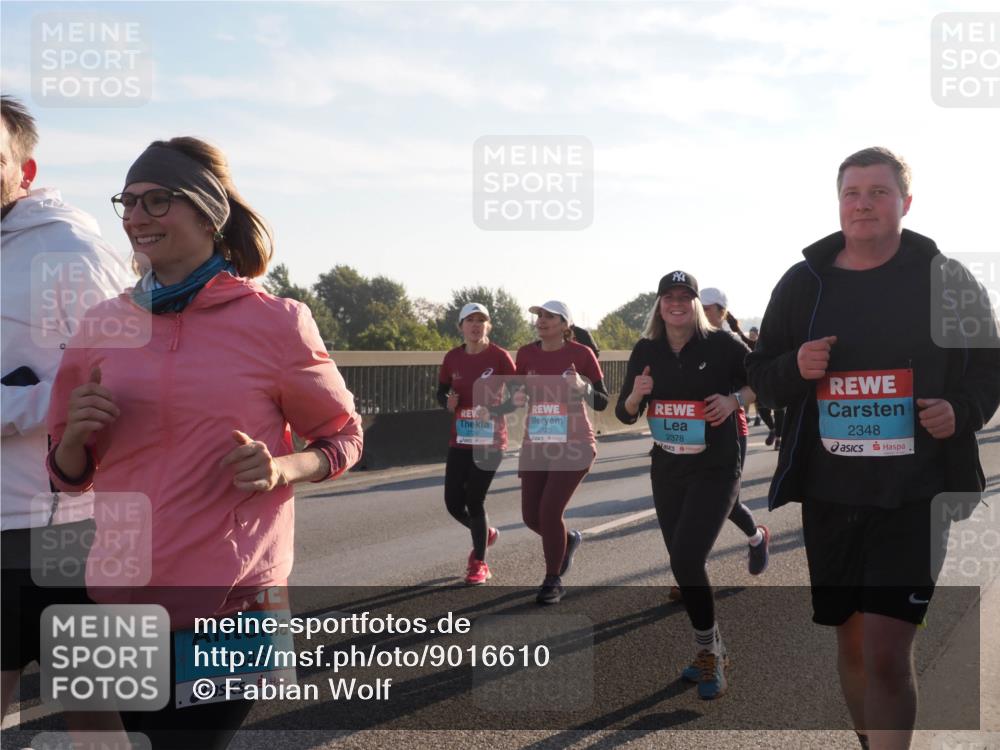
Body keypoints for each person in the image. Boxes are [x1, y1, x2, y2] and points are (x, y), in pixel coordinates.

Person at [45, 136, 364, 749]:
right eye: (129, 202)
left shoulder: (276, 322)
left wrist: (281, 468)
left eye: (157, 201)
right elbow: (68, 474)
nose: (136, 217)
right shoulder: (101, 323)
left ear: (206, 211)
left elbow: (343, 436)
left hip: (231, 603)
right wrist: (75, 438)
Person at [746, 147, 1000, 750]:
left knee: (887, 653)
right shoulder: (802, 284)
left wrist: (959, 412)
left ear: (905, 203)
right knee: (854, 645)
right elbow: (760, 373)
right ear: (839, 204)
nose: (863, 204)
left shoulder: (948, 280)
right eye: (852, 193)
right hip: (831, 497)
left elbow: (989, 370)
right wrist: (795, 367)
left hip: (913, 497)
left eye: (878, 192)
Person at [1, 95, 134, 722]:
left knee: (96, 721)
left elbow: (114, 380)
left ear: (24, 171)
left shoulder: (69, 250)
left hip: (69, 529)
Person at [616, 271, 753, 700]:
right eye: (668, 296)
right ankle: (711, 647)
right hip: (668, 468)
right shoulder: (647, 350)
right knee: (680, 561)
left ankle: (709, 652)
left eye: (684, 296)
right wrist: (638, 394)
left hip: (716, 467)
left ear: (695, 303)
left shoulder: (723, 345)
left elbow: (763, 380)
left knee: (689, 557)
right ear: (659, 305)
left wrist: (734, 400)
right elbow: (624, 414)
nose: (676, 303)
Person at [513, 300, 608, 604]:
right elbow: (517, 394)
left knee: (550, 512)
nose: (541, 320)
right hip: (536, 442)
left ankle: (553, 579)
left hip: (575, 443)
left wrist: (583, 387)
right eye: (539, 315)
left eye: (549, 316)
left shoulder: (582, 354)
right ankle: (567, 541)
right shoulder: (526, 354)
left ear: (565, 325)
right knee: (531, 517)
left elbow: (602, 401)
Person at [437, 302, 515, 585]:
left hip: (491, 441)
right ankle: (485, 533)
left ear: (488, 326)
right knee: (453, 503)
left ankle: (479, 562)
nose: (475, 325)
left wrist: (494, 410)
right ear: (461, 327)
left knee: (475, 499)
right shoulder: (452, 358)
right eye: (470, 320)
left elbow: (517, 399)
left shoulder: (500, 358)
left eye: (481, 320)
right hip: (461, 438)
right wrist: (448, 402)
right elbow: (441, 392)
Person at [699, 287, 770, 574]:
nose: (702, 312)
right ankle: (691, 567)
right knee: (691, 498)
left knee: (725, 502)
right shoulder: (679, 342)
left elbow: (758, 385)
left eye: (709, 308)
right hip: (691, 434)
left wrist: (733, 401)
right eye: (698, 306)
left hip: (729, 432)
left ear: (722, 312)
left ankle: (757, 538)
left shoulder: (731, 344)